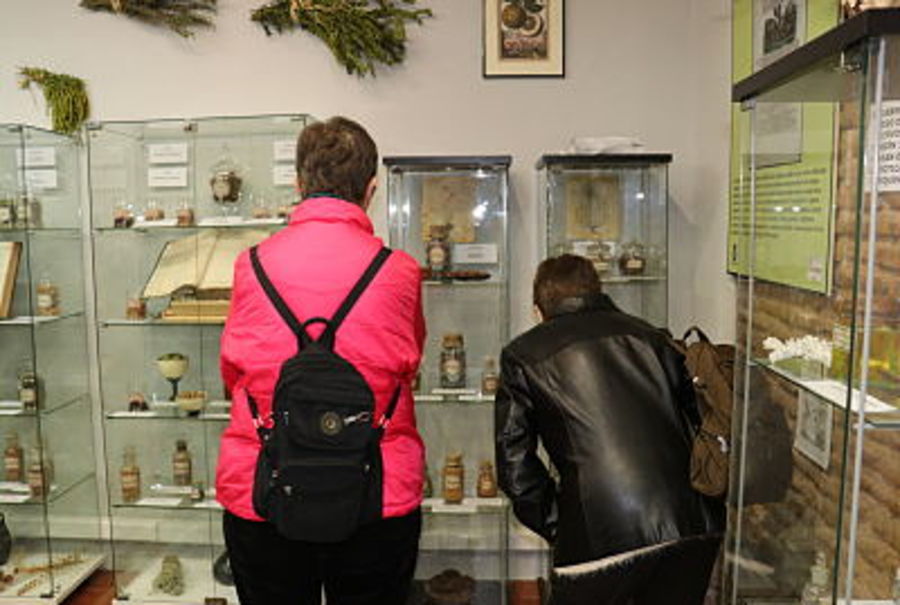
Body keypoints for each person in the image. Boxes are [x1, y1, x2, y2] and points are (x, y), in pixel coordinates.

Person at [216, 116, 425, 604]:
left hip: (266, 484)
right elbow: (408, 364)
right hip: (375, 487)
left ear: (298, 184)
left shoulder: (251, 265)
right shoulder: (400, 271)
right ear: (371, 190)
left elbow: (232, 371)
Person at [494, 254, 724, 605]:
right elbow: (697, 427)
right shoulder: (655, 338)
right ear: (598, 292)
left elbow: (514, 467)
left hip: (598, 538)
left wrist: (561, 525)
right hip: (692, 524)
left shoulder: (523, 354)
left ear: (538, 310)